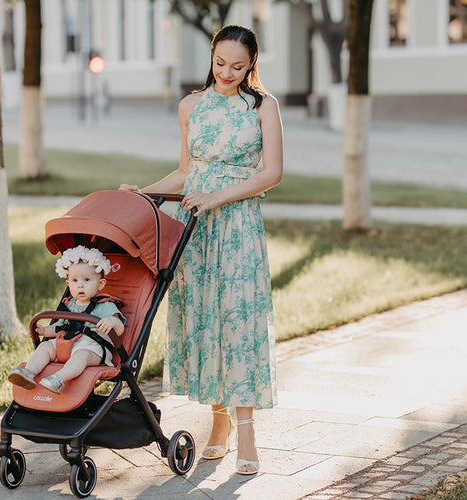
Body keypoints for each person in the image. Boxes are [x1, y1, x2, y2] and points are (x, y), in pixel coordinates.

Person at [120, 25, 283, 475]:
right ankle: (218, 423)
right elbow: (186, 171)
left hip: (236, 225)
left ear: (252, 64)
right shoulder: (191, 105)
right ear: (210, 57)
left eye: (238, 65)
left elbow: (271, 174)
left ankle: (246, 427)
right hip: (194, 226)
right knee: (206, 318)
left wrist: (217, 197)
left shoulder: (263, 106)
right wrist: (144, 193)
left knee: (238, 317)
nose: (227, 72)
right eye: (220, 63)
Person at [8, 246, 125, 394]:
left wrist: (112, 322)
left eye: (87, 280)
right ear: (69, 284)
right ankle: (28, 373)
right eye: (75, 280)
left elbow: (119, 329)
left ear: (100, 284)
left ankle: (58, 379)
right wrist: (45, 331)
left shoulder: (105, 305)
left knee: (80, 356)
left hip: (92, 348)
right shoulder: (68, 304)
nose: (80, 285)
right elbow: (58, 327)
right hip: (66, 343)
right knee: (45, 348)